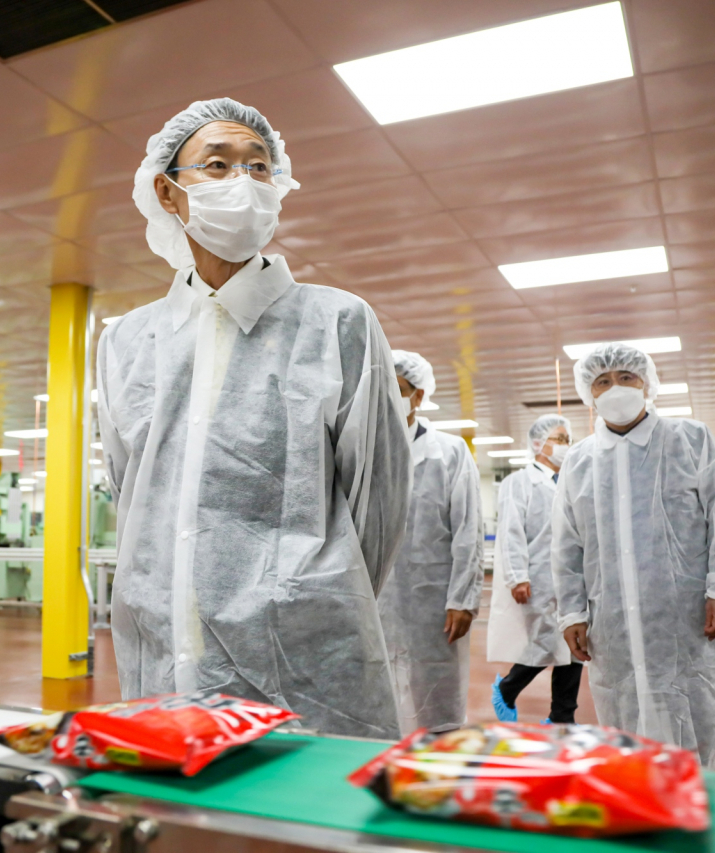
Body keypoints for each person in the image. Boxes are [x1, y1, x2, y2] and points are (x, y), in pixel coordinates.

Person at [96, 98, 413, 739]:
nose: (243, 183)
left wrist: (308, 602)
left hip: (303, 660)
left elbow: (376, 501)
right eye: (217, 165)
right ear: (169, 191)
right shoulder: (128, 340)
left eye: (260, 168)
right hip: (162, 646)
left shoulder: (337, 322)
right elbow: (130, 490)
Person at [552, 343, 715, 768]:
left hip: (686, 617)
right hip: (613, 625)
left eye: (627, 377)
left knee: (695, 716)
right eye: (603, 381)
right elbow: (568, 543)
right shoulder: (579, 461)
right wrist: (571, 612)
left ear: (647, 383)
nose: (616, 387)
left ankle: (706, 796)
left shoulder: (691, 439)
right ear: (589, 393)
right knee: (626, 726)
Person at [377, 350, 483, 734]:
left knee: (434, 693)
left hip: (434, 599)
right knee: (377, 694)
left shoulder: (450, 452)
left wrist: (463, 599)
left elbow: (468, 529)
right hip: (374, 597)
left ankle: (439, 763)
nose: (388, 395)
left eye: (399, 388)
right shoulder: (362, 449)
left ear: (418, 396)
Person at [488, 414, 582, 724]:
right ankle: (507, 688)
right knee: (544, 643)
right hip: (539, 577)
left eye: (568, 440)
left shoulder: (571, 480)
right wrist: (518, 576)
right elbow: (512, 530)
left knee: (575, 643)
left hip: (572, 578)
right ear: (538, 443)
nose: (565, 446)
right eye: (559, 439)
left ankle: (562, 716)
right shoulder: (520, 481)